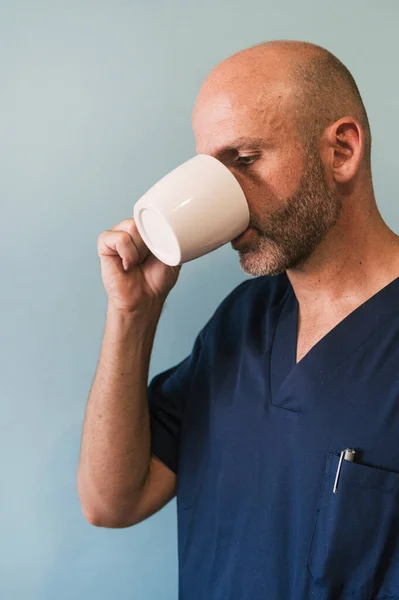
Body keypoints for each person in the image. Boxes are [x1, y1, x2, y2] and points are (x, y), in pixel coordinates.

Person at [77, 40, 399, 599]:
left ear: (341, 151)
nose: (228, 198)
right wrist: (133, 313)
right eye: (211, 169)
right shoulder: (242, 322)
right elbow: (112, 502)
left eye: (244, 161)